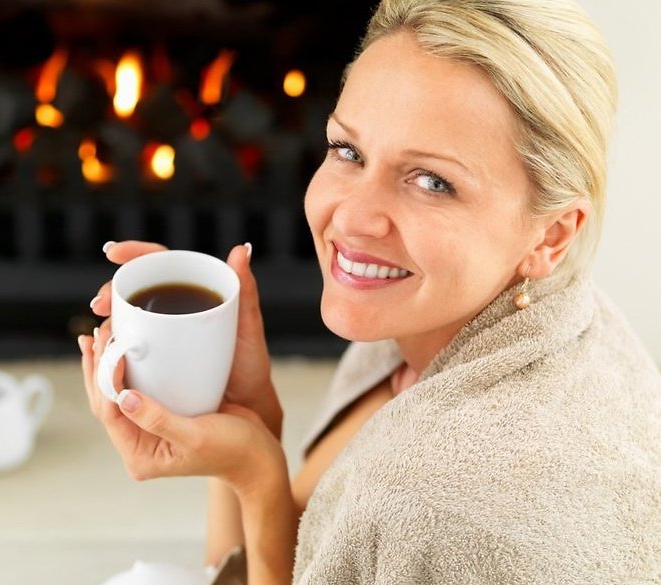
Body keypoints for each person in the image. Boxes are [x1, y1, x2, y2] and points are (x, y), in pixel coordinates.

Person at [79, 0, 661, 582]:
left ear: (552, 234)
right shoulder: (448, 322)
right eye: (348, 151)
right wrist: (241, 423)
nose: (354, 219)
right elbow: (238, 571)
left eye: (433, 182)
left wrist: (258, 470)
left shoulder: (441, 505)